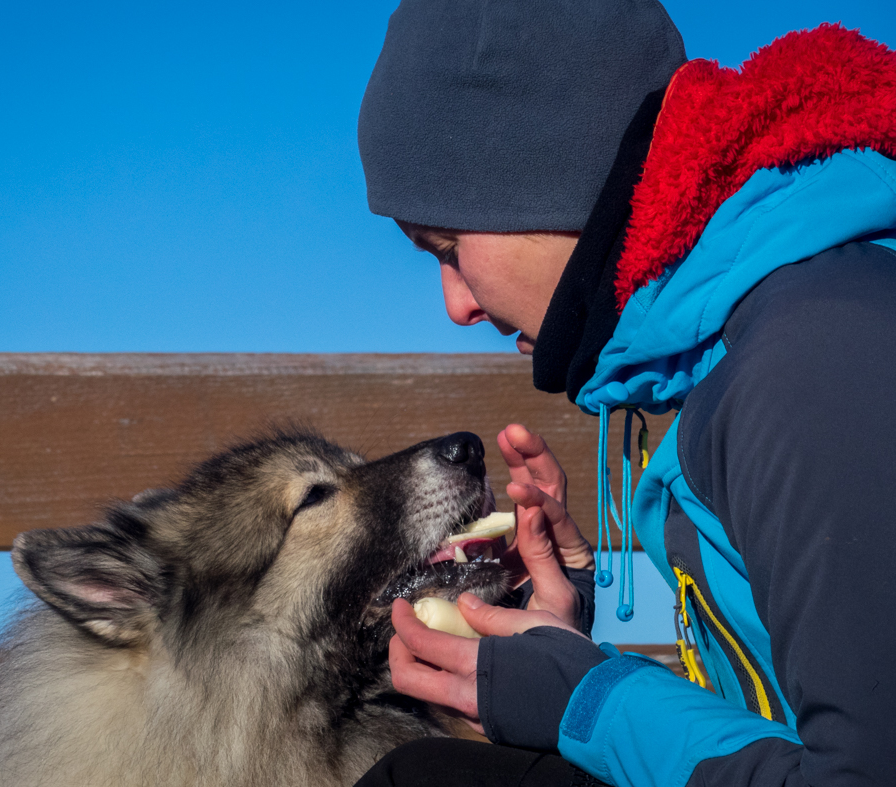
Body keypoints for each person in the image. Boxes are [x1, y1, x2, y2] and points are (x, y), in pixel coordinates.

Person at [354, 2, 896, 786]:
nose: (456, 304)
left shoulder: (814, 358)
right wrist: (575, 620)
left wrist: (588, 695)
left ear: (545, 179)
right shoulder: (750, 351)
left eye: (447, 247)